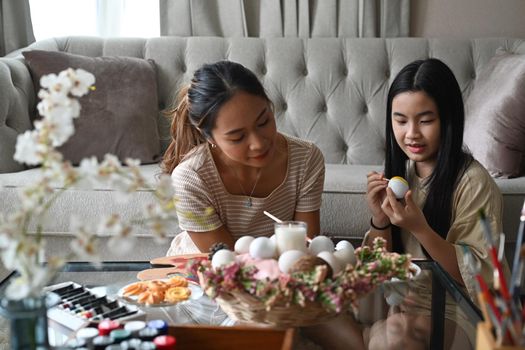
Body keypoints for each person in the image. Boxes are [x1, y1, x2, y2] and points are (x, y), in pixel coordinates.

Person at [363, 58, 509, 349]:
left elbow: (481, 278)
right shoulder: (400, 176)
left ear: (448, 119)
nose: (412, 133)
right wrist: (380, 220)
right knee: (324, 310)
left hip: (459, 310)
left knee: (391, 337)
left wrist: (421, 229)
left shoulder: (473, 183)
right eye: (400, 120)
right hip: (404, 301)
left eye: (426, 120)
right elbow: (377, 268)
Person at [161, 60, 325, 255]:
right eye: (237, 137)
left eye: (263, 122)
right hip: (207, 271)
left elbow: (303, 246)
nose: (259, 143)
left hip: (280, 272)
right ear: (209, 136)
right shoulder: (190, 179)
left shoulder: (305, 159)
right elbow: (226, 262)